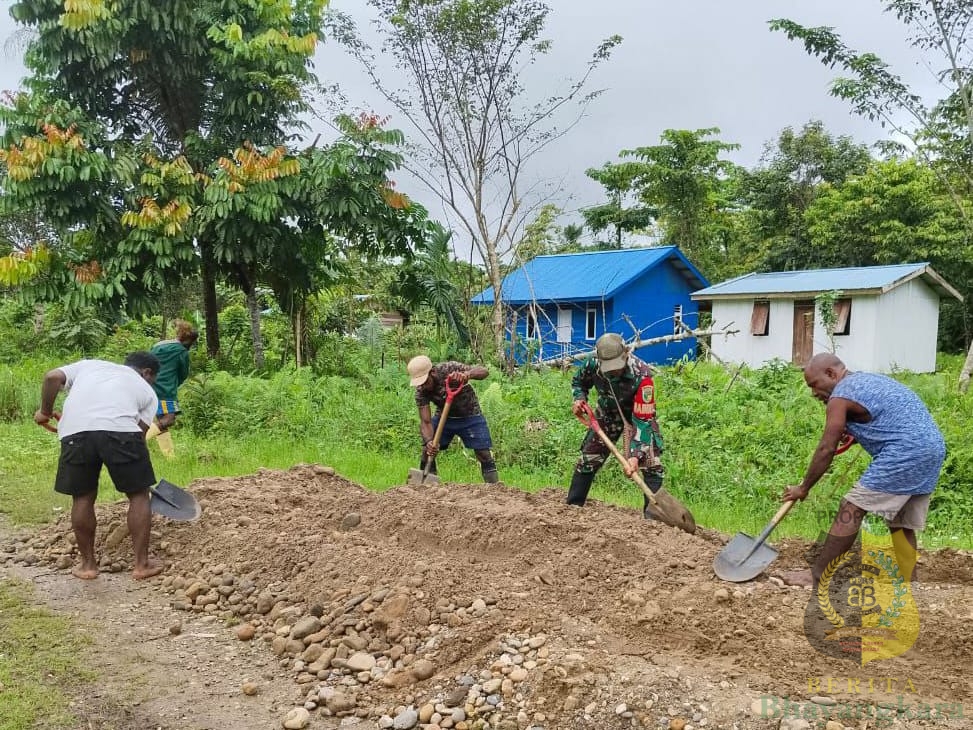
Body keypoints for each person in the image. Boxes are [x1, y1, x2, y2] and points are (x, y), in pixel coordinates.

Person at [781, 353, 946, 588]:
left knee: (851, 508)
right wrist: (857, 434)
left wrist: (803, 487)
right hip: (932, 448)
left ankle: (817, 576)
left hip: (905, 451)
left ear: (831, 374)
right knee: (901, 521)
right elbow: (887, 419)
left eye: (814, 385)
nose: (813, 393)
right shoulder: (868, 380)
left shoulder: (841, 395)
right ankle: (909, 581)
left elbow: (827, 448)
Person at [34, 352, 165, 581]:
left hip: (76, 433)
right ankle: (141, 565)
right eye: (152, 379)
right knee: (138, 496)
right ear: (146, 373)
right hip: (122, 433)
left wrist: (45, 412)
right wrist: (137, 468)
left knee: (82, 497)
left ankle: (88, 566)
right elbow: (140, 433)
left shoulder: (89, 366)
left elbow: (52, 377)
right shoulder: (147, 392)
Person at [568, 333, 665, 518]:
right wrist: (579, 399)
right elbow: (579, 382)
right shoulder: (592, 364)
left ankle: (653, 522)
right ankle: (571, 510)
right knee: (588, 459)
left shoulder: (642, 375)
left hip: (638, 416)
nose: (614, 371)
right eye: (609, 367)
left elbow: (643, 421)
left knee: (652, 465)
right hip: (608, 414)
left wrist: (635, 456)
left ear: (626, 353)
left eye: (617, 366)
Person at [407, 355, 500, 483]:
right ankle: (427, 486)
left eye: (425, 382)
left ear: (432, 372)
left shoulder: (449, 369)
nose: (423, 387)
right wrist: (429, 441)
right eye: (419, 384)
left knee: (483, 453)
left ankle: (495, 489)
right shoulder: (421, 391)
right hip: (444, 418)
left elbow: (484, 372)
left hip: (470, 415)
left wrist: (467, 374)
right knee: (427, 450)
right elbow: (425, 421)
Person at [146, 320, 199, 457]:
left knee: (162, 422)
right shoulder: (181, 352)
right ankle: (137, 439)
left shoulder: (158, 345)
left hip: (149, 387)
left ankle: (170, 457)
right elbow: (183, 374)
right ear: (189, 341)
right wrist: (173, 383)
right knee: (169, 419)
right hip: (166, 391)